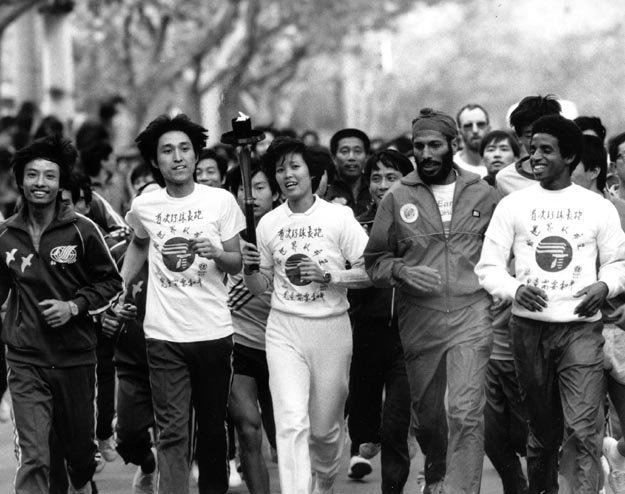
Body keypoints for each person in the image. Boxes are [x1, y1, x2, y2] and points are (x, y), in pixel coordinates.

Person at [475, 115, 625, 493]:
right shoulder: (514, 205)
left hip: (580, 331)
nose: (534, 157)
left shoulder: (597, 207)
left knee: (583, 429)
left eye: (546, 150)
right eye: (532, 148)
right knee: (543, 435)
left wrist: (604, 285)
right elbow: (488, 267)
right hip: (528, 331)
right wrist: (513, 289)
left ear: (570, 155)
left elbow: (619, 261)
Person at [365, 108, 499, 494]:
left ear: (453, 146)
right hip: (419, 318)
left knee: (465, 411)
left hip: (470, 315)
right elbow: (375, 262)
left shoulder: (484, 194)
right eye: (418, 145)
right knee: (427, 416)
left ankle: (460, 489)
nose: (425, 153)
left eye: (434, 145)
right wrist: (402, 271)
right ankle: (437, 471)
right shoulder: (397, 197)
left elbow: (502, 255)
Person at [120, 114, 245, 494]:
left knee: (211, 431)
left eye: (185, 149)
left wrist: (217, 253)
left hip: (213, 332)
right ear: (155, 161)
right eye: (167, 151)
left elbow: (237, 262)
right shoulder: (146, 204)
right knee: (172, 432)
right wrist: (120, 284)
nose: (178, 158)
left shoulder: (219, 201)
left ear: (195, 155)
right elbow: (139, 242)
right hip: (163, 335)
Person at [242, 137, 371, 494]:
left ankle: (325, 478)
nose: (287, 175)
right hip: (285, 328)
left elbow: (369, 270)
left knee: (324, 430)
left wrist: (330, 276)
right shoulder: (268, 224)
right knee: (291, 422)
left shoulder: (338, 217)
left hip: (331, 329)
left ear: (312, 172)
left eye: (294, 167)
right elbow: (260, 285)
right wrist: (250, 269)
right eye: (280, 169)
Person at [0, 134, 123, 494]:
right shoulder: (5, 235)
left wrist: (73, 306)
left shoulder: (83, 231)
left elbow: (111, 283)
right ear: (20, 180)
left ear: (60, 183)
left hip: (75, 358)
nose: (41, 183)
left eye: (50, 176)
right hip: (26, 359)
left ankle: (82, 481)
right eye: (33, 175)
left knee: (81, 459)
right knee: (36, 456)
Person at [347, 149, 413, 492]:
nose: (383, 185)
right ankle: (365, 443)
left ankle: (393, 487)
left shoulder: (422, 224)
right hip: (365, 332)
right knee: (363, 423)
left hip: (409, 333)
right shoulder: (355, 224)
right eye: (376, 177)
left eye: (392, 177)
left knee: (396, 423)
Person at [225, 163, 279, 494]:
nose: (252, 196)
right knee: (248, 427)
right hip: (238, 345)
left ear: (275, 192)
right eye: (244, 189)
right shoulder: (224, 236)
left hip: (283, 345)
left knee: (284, 438)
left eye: (260, 188)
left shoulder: (286, 230)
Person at [496, 95, 561, 196]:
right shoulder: (506, 179)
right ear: (519, 137)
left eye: (546, 133)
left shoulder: (572, 173)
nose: (539, 142)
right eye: (530, 136)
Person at [325, 128, 371, 216]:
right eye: (344, 151)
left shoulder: (373, 186)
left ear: (366, 157)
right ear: (334, 158)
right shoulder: (325, 188)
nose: (351, 157)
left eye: (357, 151)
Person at [454, 104, 491, 177]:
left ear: (488, 129)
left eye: (480, 124)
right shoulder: (451, 166)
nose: (475, 130)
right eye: (468, 125)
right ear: (459, 132)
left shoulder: (500, 164)